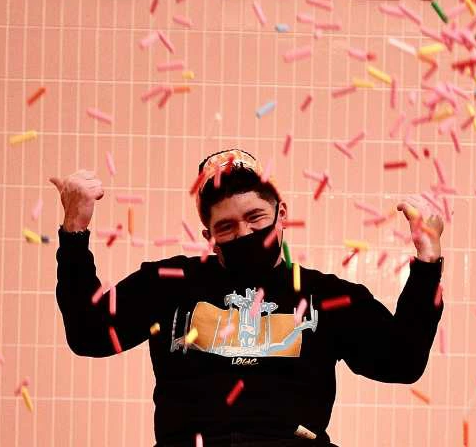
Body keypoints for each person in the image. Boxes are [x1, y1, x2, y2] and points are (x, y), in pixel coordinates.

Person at [51, 148, 445, 446]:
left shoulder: (326, 296)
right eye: (226, 226)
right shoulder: (169, 283)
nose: (244, 233)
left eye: (255, 217)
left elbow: (402, 361)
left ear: (281, 214)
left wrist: (428, 262)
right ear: (209, 236)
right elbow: (89, 334)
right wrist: (74, 231)